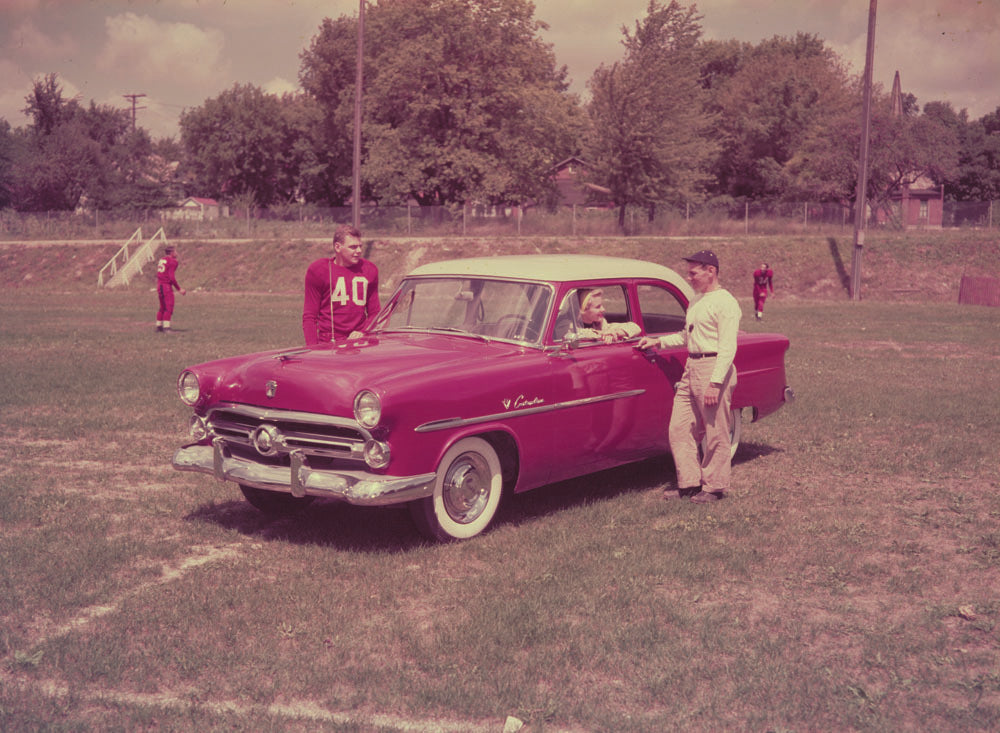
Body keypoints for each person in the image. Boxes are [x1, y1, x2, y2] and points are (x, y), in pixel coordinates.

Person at [638, 250, 742, 503]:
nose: (689, 277)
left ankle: (715, 487)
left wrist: (715, 383)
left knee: (716, 430)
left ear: (711, 271)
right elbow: (687, 336)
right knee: (679, 427)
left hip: (713, 367)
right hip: (692, 367)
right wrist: (658, 342)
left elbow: (728, 347)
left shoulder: (725, 303)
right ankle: (689, 483)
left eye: (693, 272)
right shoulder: (697, 301)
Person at [302, 224, 380, 345]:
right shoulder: (319, 270)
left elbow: (375, 312)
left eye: (360, 246)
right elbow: (309, 316)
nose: (359, 251)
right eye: (353, 247)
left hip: (359, 341)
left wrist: (363, 332)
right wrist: (312, 349)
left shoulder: (369, 270)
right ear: (338, 247)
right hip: (329, 342)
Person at [572, 288, 640, 343]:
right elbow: (579, 334)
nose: (603, 309)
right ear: (583, 310)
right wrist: (602, 334)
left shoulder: (601, 324)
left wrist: (615, 333)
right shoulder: (570, 327)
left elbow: (635, 327)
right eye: (598, 307)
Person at [155, 246, 186, 333]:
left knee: (162, 307)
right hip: (166, 286)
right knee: (169, 306)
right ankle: (166, 328)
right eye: (175, 251)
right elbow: (171, 277)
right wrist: (179, 289)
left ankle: (159, 326)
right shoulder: (173, 262)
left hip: (159, 285)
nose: (177, 253)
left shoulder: (162, 259)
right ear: (171, 253)